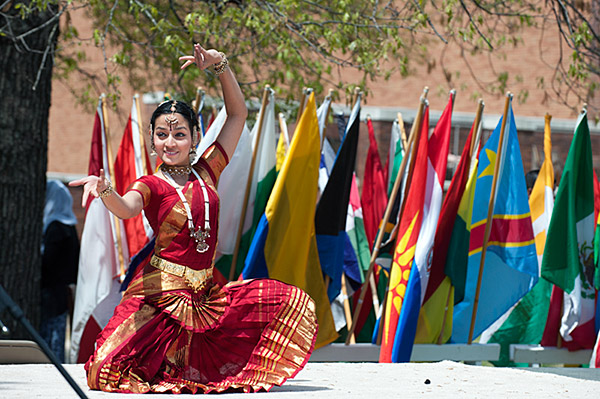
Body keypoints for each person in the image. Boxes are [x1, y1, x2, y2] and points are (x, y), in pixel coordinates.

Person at [70, 44, 318, 393]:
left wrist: (221, 67)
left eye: (179, 134)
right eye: (162, 134)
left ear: (195, 138)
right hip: (161, 297)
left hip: (205, 295)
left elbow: (237, 115)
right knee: (104, 370)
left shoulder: (209, 171)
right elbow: (126, 208)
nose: (170, 142)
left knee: (286, 301)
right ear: (153, 141)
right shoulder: (151, 184)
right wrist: (105, 190)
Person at [40, 179, 80, 363]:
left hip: (50, 295)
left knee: (49, 340)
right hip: (61, 294)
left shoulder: (56, 228)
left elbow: (48, 261)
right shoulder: (70, 226)